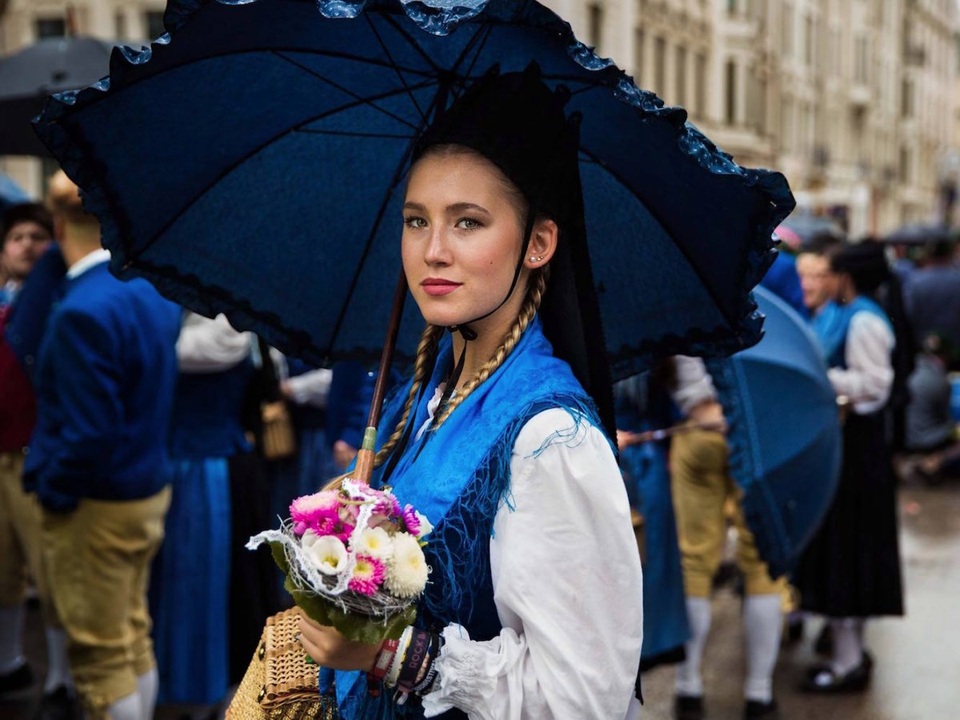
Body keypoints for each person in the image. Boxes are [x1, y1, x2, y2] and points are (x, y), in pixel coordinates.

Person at [296, 65, 643, 719]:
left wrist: (391, 655)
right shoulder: (422, 398)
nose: (432, 251)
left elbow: (581, 699)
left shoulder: (549, 442)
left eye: (468, 223)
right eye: (416, 220)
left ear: (538, 243)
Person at [23, 171, 182, 720]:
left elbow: (88, 433)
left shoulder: (80, 311)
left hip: (98, 504)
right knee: (131, 633)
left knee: (99, 653)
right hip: (145, 487)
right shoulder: (146, 291)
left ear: (58, 226)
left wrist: (53, 491)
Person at [795, 241, 904, 693]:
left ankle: (848, 663)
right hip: (848, 448)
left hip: (857, 452)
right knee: (846, 551)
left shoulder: (863, 320)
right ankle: (849, 655)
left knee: (848, 552)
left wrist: (820, 380)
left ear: (846, 277)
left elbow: (875, 387)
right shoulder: (847, 313)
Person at [667, 356, 784, 720]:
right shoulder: (771, 324)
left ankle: (688, 688)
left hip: (696, 431)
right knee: (763, 562)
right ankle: (759, 694)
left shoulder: (689, 321)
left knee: (694, 562)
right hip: (754, 436)